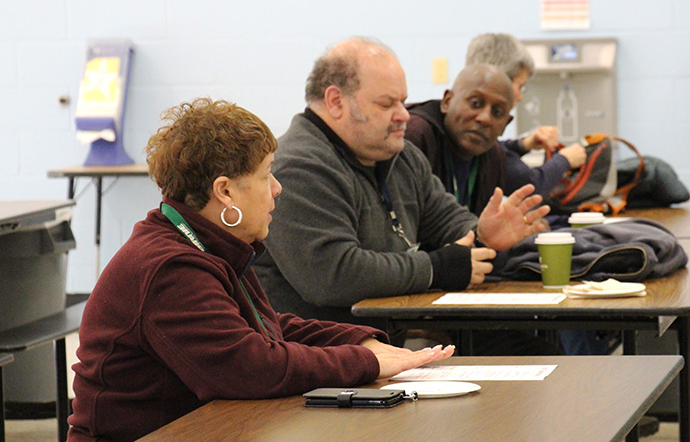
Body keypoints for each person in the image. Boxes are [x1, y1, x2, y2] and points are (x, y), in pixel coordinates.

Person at [68, 98, 454, 441]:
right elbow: (249, 367)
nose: (277, 188)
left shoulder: (208, 244)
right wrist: (364, 362)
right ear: (225, 191)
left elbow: (268, 327)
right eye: (266, 174)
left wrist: (361, 342)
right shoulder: (169, 266)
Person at [253, 37, 549, 339]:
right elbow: (333, 275)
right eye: (387, 103)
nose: (404, 114)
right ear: (336, 101)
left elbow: (446, 218)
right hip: (317, 360)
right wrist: (435, 268)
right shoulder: (298, 166)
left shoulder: (400, 156)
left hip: (380, 349)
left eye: (402, 101)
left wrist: (483, 233)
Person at [465, 33, 586, 196]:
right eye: (519, 86)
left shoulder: (471, 129)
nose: (520, 97)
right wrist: (565, 160)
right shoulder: (471, 131)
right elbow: (530, 185)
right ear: (500, 79)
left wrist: (525, 144)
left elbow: (496, 150)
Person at [405, 63, 515, 215]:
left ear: (506, 124)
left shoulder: (494, 156)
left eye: (497, 112)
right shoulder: (414, 135)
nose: (484, 119)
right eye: (475, 103)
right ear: (447, 102)